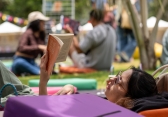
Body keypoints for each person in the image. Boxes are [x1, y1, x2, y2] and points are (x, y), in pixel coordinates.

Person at [39, 53, 168, 113]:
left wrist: (43, 82)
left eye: (118, 81)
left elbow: (43, 112)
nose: (111, 79)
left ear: (128, 99)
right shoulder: (105, 104)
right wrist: (70, 88)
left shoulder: (105, 110)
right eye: (117, 75)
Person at [11, 11, 49, 75]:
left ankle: (36, 71)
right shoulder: (27, 33)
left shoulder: (41, 35)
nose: (44, 23)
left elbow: (42, 54)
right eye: (42, 21)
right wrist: (38, 47)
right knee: (19, 63)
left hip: (32, 62)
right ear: (36, 23)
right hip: (21, 60)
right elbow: (21, 48)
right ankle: (38, 72)